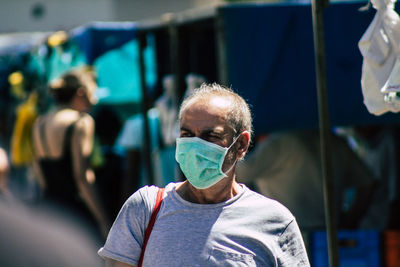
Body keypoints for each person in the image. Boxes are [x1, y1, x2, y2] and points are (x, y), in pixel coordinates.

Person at [98, 83, 310, 266]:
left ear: (241, 145)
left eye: (211, 136)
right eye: (187, 135)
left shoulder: (274, 221)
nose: (196, 146)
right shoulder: (144, 209)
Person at [236, 130, 376, 232]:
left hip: (288, 231)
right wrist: (351, 220)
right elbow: (367, 183)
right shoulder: (335, 141)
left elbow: (236, 174)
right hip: (330, 233)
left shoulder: (278, 142)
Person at [32, 67, 110, 241]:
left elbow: (39, 173)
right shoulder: (81, 122)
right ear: (81, 93)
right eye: (93, 92)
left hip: (49, 208)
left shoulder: (40, 122)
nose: (95, 99)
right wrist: (103, 220)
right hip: (75, 213)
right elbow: (82, 177)